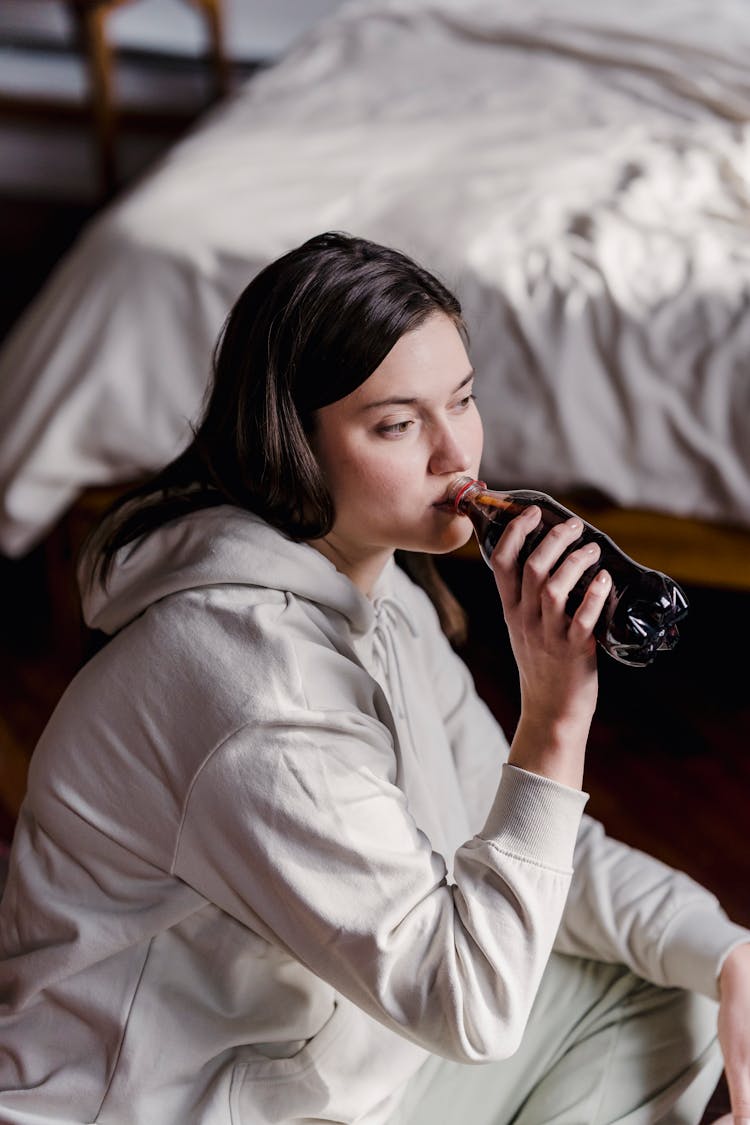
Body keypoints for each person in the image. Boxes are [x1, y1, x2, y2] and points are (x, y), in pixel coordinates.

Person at [0, 231, 748, 1125]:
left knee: (678, 993)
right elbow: (468, 1004)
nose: (455, 454)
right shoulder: (254, 696)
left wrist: (730, 952)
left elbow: (533, 845)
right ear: (293, 442)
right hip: (191, 1106)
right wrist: (553, 720)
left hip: (358, 1060)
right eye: (398, 424)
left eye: (462, 401)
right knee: (534, 988)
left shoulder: (376, 584)